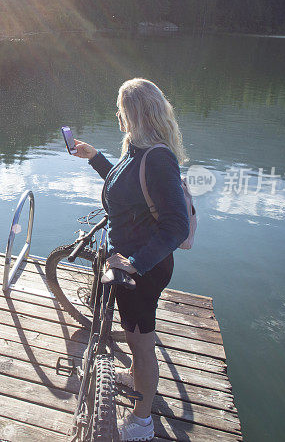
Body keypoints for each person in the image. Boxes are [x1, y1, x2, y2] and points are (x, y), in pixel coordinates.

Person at [72, 78, 190, 442]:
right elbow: (123, 187)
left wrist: (134, 263)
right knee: (138, 339)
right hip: (129, 261)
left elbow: (177, 227)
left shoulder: (157, 159)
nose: (118, 117)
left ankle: (142, 422)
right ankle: (138, 378)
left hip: (143, 268)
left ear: (133, 113)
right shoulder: (136, 149)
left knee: (141, 343)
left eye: (121, 110)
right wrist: (95, 158)